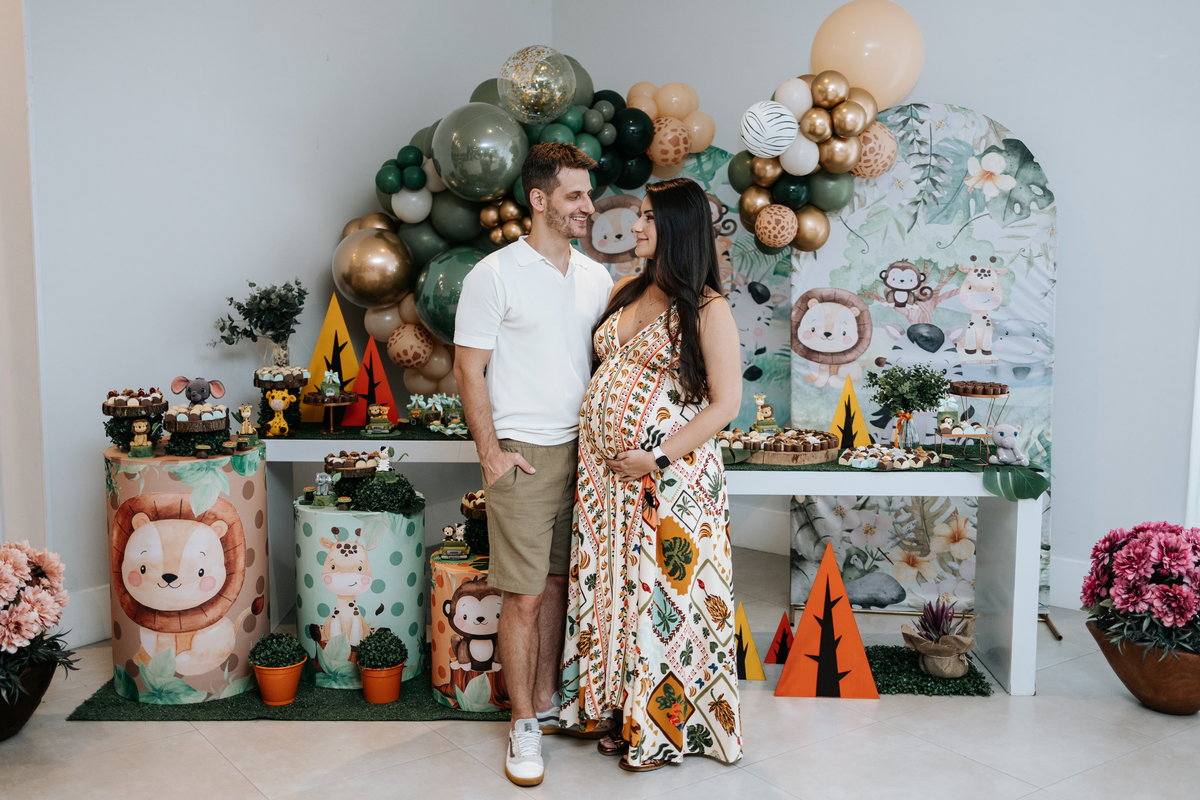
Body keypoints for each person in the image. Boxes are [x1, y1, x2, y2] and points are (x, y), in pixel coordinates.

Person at [559, 177, 743, 771]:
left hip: (670, 481)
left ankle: (659, 727)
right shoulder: (625, 289)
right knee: (611, 587)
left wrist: (657, 456)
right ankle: (613, 708)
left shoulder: (709, 309)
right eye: (638, 215)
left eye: (647, 217)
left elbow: (726, 404)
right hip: (605, 481)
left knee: (662, 597)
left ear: (678, 229)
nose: (634, 227)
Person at [453, 142, 614, 787]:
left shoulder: (598, 277)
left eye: (588, 194)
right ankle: (522, 724)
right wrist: (491, 455)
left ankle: (545, 703)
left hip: (590, 452)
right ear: (539, 200)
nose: (589, 206)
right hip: (521, 453)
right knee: (520, 596)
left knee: (555, 585)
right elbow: (469, 370)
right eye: (575, 195)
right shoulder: (493, 275)